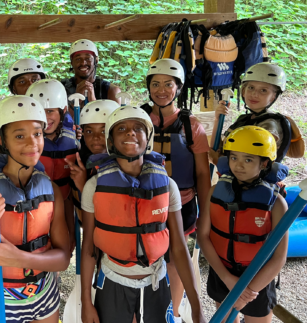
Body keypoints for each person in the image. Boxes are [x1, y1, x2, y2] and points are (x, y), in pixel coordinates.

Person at [80, 105, 205, 323]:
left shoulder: (168, 185)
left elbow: (178, 248)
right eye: (121, 129)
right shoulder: (94, 186)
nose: (130, 133)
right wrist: (86, 303)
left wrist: (196, 306)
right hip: (112, 281)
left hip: (156, 281)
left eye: (138, 128)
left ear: (148, 139)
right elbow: (88, 248)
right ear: (110, 142)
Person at [0, 96, 70, 323]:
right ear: (2, 141)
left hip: (45, 292)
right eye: (19, 136)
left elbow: (63, 259)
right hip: (2, 298)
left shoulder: (51, 189)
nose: (32, 143)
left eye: (37, 134)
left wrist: (19, 258)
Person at [140, 58, 211, 321]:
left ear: (178, 87)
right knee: (145, 257)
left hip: (181, 205)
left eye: (168, 84)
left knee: (174, 260)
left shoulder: (191, 126)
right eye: (155, 84)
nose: (161, 90)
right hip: (145, 203)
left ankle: (173, 311)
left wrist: (206, 214)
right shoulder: (139, 118)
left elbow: (203, 173)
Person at [197, 126, 289, 323]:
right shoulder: (215, 192)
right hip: (223, 272)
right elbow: (203, 236)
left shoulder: (276, 203)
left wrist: (248, 291)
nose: (239, 165)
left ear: (264, 163)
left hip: (258, 278)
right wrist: (229, 280)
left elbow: (279, 257)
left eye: (248, 159)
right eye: (234, 157)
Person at [210, 62, 304, 165]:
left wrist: (216, 160)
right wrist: (217, 119)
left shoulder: (269, 125)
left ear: (273, 96)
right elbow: (217, 148)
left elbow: (246, 168)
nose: (254, 94)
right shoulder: (244, 119)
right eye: (251, 88)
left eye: (263, 90)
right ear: (244, 91)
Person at [26, 79, 80, 251]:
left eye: (50, 111)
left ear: (63, 111)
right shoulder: (26, 140)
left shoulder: (73, 134)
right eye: (40, 111)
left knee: (67, 245)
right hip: (36, 203)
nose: (44, 117)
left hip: (65, 200)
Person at [66, 99, 120, 223]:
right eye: (89, 131)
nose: (96, 137)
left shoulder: (127, 164)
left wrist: (84, 186)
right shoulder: (82, 160)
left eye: (103, 131)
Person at [61, 39, 121, 112]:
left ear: (96, 60)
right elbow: (57, 121)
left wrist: (93, 102)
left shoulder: (110, 91)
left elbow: (115, 122)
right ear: (71, 62)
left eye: (88, 58)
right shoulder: (61, 89)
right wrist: (77, 101)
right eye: (78, 59)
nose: (83, 63)